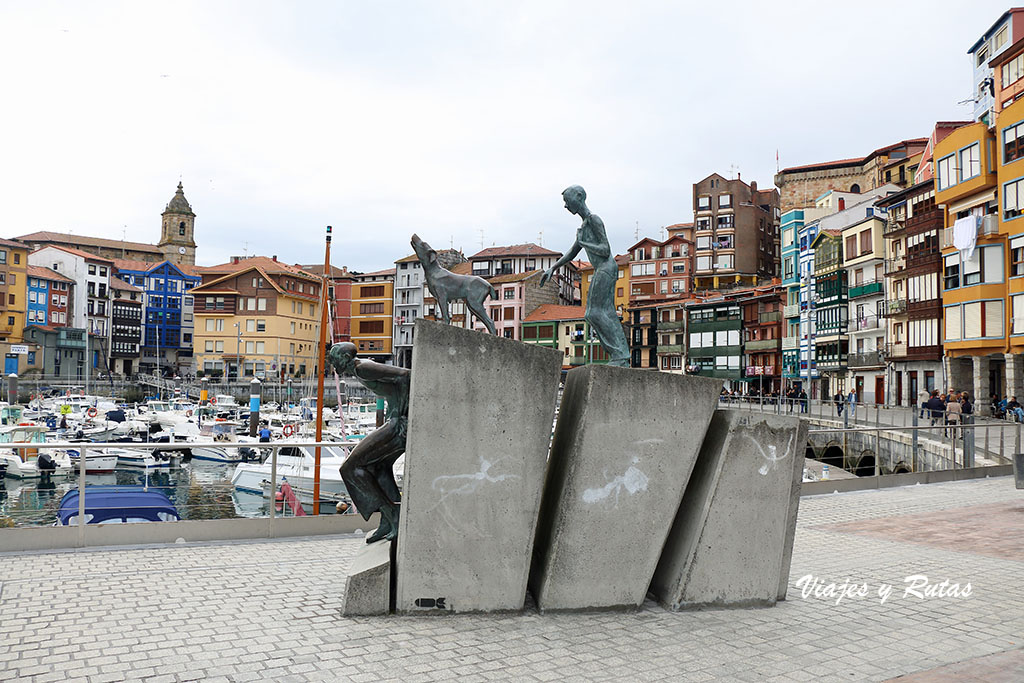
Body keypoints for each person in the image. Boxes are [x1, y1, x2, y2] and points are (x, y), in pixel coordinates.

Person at [328, 342, 409, 544]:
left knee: (350, 468)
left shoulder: (363, 367)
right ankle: (387, 520)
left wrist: (402, 414)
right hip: (395, 420)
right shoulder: (360, 370)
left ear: (345, 358)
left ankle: (392, 515)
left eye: (334, 357)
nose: (331, 362)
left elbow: (405, 375)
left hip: (398, 424)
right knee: (378, 466)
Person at [540, 186, 630, 366]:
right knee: (598, 313)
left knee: (595, 312)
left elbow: (605, 250)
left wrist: (584, 243)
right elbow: (572, 253)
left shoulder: (594, 220)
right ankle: (619, 355)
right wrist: (553, 268)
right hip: (601, 269)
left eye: (567, 201)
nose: (565, 206)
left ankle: (620, 355)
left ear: (579, 197)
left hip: (606, 267)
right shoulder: (584, 226)